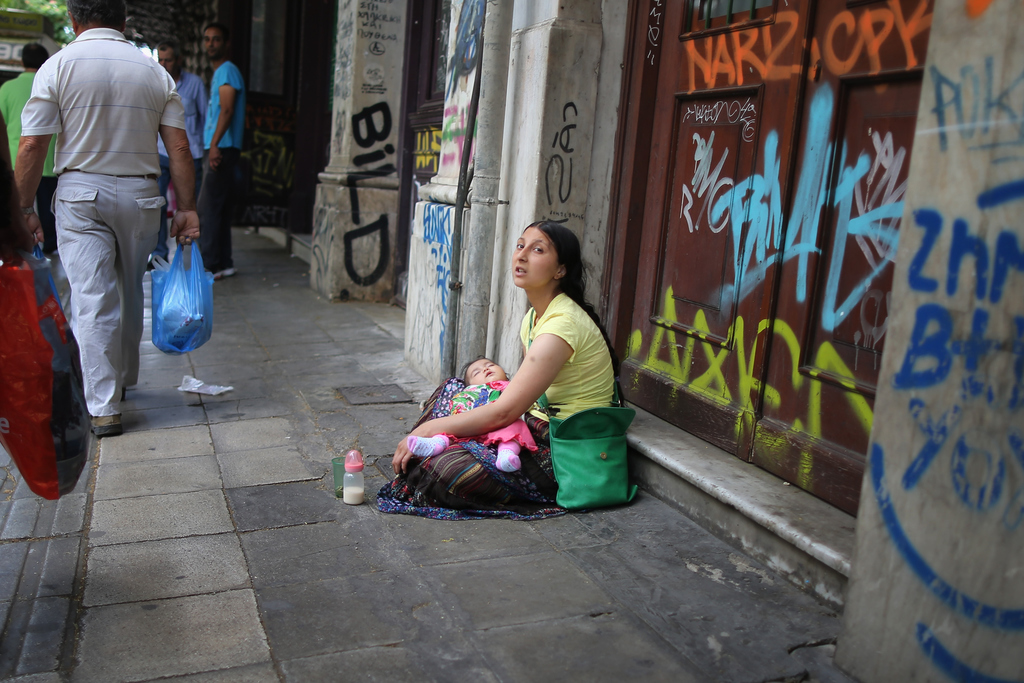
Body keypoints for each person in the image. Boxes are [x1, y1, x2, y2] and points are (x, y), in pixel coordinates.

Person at [14, 0, 201, 437]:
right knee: (128, 285)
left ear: (73, 19)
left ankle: (103, 406)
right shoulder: (154, 71)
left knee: (92, 296)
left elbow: (31, 146)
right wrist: (187, 208)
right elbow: (178, 148)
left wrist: (24, 209)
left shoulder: (57, 67)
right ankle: (123, 378)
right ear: (123, 22)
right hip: (141, 195)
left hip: (80, 193)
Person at [380, 221, 617, 519]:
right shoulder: (533, 318)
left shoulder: (561, 326)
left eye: (537, 249)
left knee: (447, 471)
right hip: (532, 424)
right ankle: (433, 446)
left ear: (560, 270)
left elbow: (505, 412)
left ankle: (433, 445)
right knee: (454, 387)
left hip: (563, 448)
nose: (521, 256)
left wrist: (430, 427)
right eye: (520, 246)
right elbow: (517, 398)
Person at [406, 357, 539, 473]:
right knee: (449, 427)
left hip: (501, 425)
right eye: (477, 372)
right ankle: (435, 444)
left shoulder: (510, 386)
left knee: (516, 427)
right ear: (469, 385)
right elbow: (457, 411)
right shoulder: (468, 393)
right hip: (472, 425)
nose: (486, 369)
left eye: (490, 365)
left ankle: (507, 454)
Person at [151, 38, 207, 264]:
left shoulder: (195, 84)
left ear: (179, 60)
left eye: (169, 60)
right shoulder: (154, 83)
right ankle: (159, 254)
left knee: (191, 205)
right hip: (160, 153)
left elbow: (206, 117)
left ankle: (193, 254)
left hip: (191, 156)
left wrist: (206, 148)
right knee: (156, 205)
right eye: (161, 60)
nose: (164, 64)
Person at [197, 21, 245, 281]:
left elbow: (227, 110)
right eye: (207, 39)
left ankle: (210, 266)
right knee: (220, 207)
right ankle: (224, 263)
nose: (211, 44)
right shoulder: (223, 72)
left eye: (216, 39)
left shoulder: (226, 71)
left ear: (226, 44)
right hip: (222, 147)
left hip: (222, 148)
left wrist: (214, 144)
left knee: (207, 209)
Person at [0, 43, 59, 253]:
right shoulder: (51, 84)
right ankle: (50, 246)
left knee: (18, 209)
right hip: (49, 160)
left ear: (22, 62)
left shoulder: (7, 88)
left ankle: (22, 247)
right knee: (48, 210)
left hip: (17, 161)